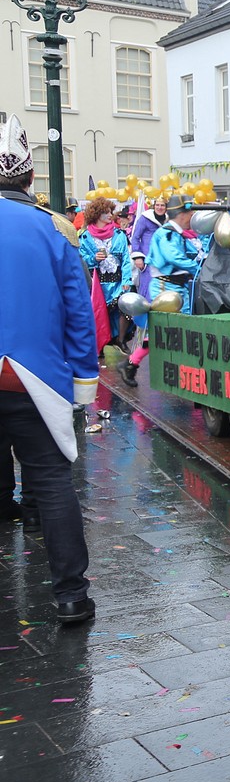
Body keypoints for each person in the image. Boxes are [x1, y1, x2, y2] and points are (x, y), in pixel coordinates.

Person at [0, 113, 97, 624]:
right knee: (53, 482)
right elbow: (78, 312)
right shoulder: (52, 228)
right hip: (32, 376)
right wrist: (83, 382)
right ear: (30, 176)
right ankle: (71, 596)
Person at [118, 195, 201, 387]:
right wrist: (199, 267)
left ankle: (135, 365)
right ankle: (131, 364)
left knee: (177, 330)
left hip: (177, 287)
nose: (193, 218)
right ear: (182, 214)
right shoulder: (166, 233)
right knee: (162, 331)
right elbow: (174, 257)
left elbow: (191, 252)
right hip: (165, 287)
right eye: (191, 213)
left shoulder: (176, 233)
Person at [78, 198, 131, 358]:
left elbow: (126, 260)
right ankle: (99, 345)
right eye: (106, 212)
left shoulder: (119, 235)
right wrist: (94, 258)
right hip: (97, 285)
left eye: (110, 212)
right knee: (99, 314)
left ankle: (120, 340)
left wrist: (126, 280)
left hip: (117, 282)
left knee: (124, 308)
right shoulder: (85, 237)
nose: (110, 215)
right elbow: (82, 260)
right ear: (96, 214)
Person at [131, 193, 168, 257]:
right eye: (157, 205)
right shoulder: (145, 218)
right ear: (154, 206)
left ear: (166, 207)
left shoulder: (168, 220)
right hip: (148, 256)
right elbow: (135, 238)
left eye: (162, 205)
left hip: (163, 256)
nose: (159, 207)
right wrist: (138, 256)